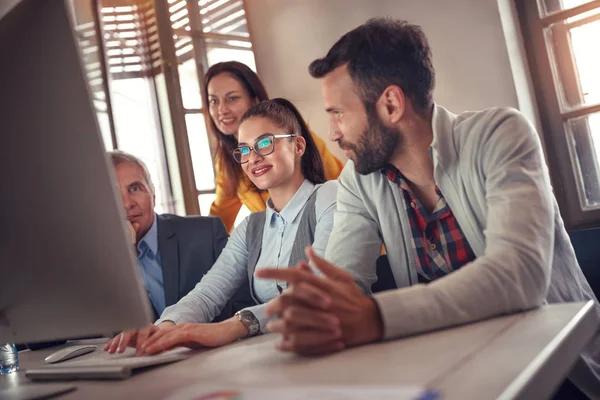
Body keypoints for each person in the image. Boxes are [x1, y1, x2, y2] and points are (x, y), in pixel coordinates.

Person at [256, 18, 600, 399]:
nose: (333, 133)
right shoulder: (359, 178)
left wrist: (376, 317)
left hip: (562, 371)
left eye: (338, 113)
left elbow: (519, 275)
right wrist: (317, 307)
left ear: (390, 104)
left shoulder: (500, 133)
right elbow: (345, 283)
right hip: (452, 376)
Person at [104, 98, 338, 355]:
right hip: (280, 353)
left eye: (264, 143)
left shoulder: (329, 196)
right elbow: (207, 293)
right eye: (245, 151)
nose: (254, 158)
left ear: (298, 145)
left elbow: (320, 288)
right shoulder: (250, 228)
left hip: (337, 346)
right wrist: (164, 327)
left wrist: (236, 325)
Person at [205, 61, 344, 231]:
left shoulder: (291, 137)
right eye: (213, 101)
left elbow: (340, 187)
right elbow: (220, 216)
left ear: (254, 99)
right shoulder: (228, 162)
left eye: (232, 98)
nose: (222, 110)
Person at [108, 151, 233, 321]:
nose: (127, 203)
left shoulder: (206, 234)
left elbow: (244, 306)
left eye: (135, 188)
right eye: (113, 194)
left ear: (153, 193)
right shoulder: (91, 263)